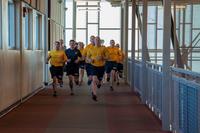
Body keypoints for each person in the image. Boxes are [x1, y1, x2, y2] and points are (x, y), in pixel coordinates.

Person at [87, 36, 108, 101]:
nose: (97, 41)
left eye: (98, 40)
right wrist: (90, 60)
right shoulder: (90, 49)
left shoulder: (104, 48)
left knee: (99, 82)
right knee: (94, 79)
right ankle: (95, 95)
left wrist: (102, 58)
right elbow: (87, 58)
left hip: (101, 67)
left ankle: (97, 86)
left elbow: (107, 57)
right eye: (96, 40)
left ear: (100, 41)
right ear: (94, 41)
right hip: (93, 66)